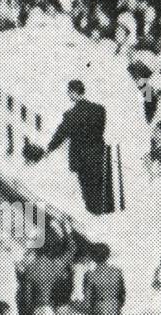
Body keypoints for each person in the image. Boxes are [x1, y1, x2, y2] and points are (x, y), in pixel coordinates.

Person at [38, 79, 110, 215]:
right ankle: (102, 211)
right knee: (98, 185)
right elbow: (101, 130)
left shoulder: (71, 115)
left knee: (87, 190)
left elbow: (60, 135)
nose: (68, 95)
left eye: (69, 92)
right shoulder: (99, 110)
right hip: (97, 154)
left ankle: (94, 213)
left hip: (81, 158)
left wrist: (49, 149)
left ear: (73, 93)